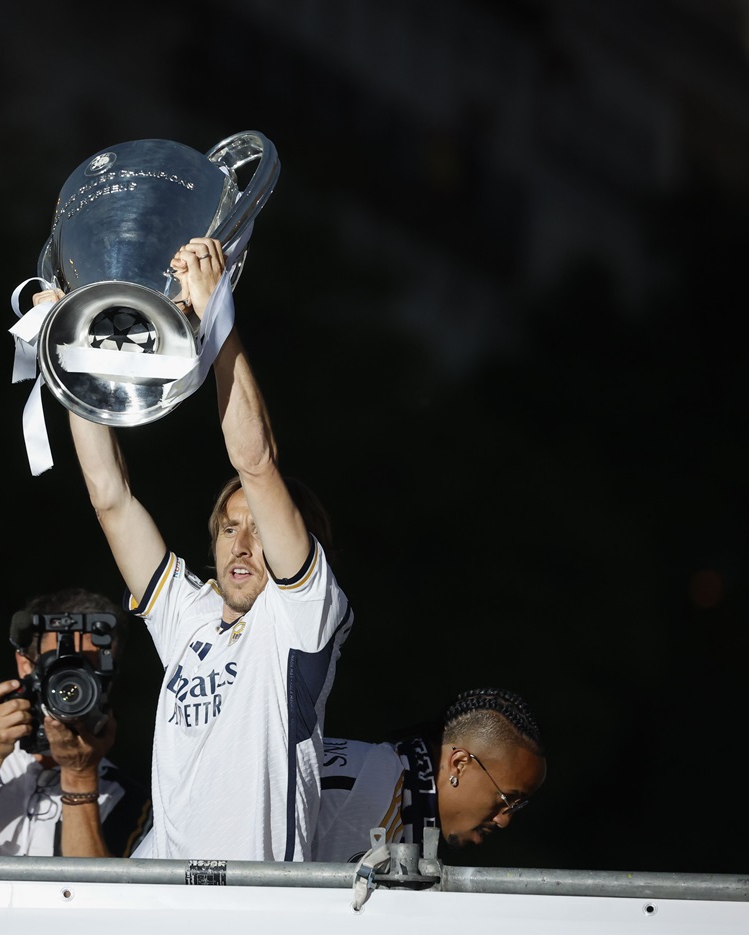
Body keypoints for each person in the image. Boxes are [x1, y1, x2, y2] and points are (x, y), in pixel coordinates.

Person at [60, 236, 353, 861]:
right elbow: (110, 497)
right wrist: (73, 351)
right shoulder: (190, 615)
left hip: (248, 914)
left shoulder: (299, 619)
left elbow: (256, 461)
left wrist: (217, 312)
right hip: (159, 903)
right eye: (228, 528)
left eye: (258, 530)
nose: (242, 545)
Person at [0, 589, 149, 857]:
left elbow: (99, 895)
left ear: (109, 676)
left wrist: (80, 776)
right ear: (25, 665)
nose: (71, 681)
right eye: (57, 664)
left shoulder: (128, 797)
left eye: (87, 668)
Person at [313, 688, 547, 863]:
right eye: (506, 798)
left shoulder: (389, 784)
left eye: (516, 806)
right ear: (459, 764)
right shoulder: (361, 790)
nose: (504, 820)